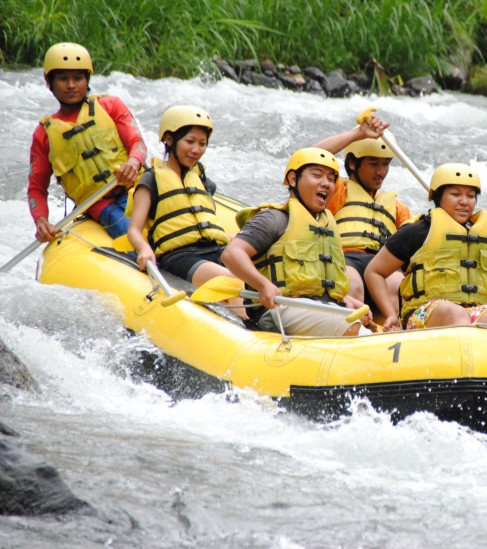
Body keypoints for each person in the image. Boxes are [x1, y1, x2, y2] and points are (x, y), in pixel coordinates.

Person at [221, 147, 370, 336]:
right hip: (281, 308)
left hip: (321, 309)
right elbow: (232, 253)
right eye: (317, 175)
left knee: (365, 326)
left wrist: (346, 298)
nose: (326, 184)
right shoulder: (274, 218)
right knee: (349, 326)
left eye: (331, 179)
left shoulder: (326, 226)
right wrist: (262, 285)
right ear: (293, 179)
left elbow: (314, 279)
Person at [365, 163, 487, 332]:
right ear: (439, 197)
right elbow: (374, 271)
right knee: (455, 314)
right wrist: (390, 313)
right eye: (455, 194)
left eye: (471, 196)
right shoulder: (418, 231)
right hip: (424, 313)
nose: (464, 202)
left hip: (474, 311)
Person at [126, 105, 244, 317]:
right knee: (234, 281)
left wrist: (235, 240)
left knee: (258, 271)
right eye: (189, 142)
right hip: (180, 255)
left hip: (214, 249)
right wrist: (144, 249)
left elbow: (203, 223)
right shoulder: (151, 179)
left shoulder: (200, 178)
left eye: (202, 143)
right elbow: (134, 229)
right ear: (169, 140)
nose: (196, 149)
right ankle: (252, 328)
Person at [28, 42, 147, 242]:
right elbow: (36, 188)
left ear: (87, 79)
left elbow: (138, 143)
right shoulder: (44, 134)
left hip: (138, 190)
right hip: (100, 205)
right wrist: (41, 220)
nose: (71, 85)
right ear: (50, 83)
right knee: (131, 236)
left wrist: (134, 162)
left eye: (78, 78)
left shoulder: (111, 106)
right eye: (63, 79)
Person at [313, 114, 412, 314]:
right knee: (353, 283)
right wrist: (358, 134)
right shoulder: (336, 191)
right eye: (374, 163)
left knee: (398, 285)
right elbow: (310, 156)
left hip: (382, 265)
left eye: (385, 164)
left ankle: (395, 331)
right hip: (344, 260)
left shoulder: (397, 207)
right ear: (352, 164)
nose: (381, 172)